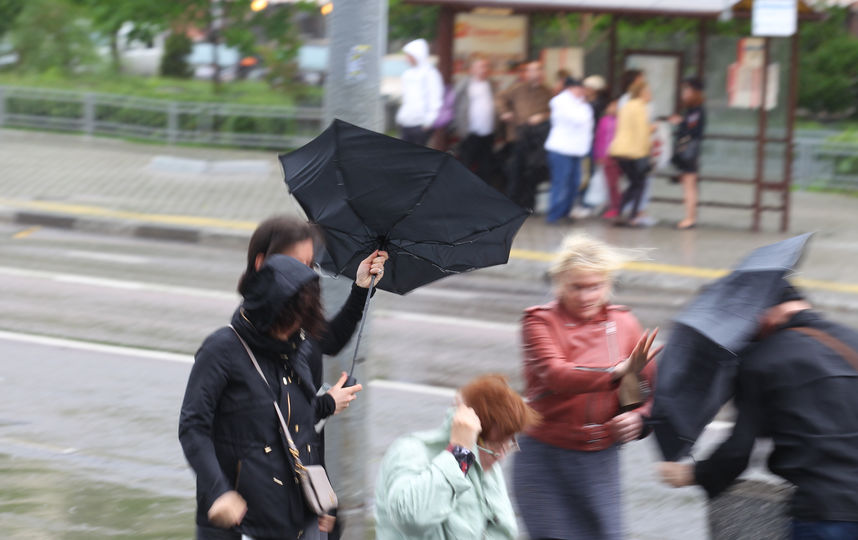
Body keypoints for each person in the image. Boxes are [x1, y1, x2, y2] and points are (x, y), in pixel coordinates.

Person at [179, 216, 388, 540]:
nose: (307, 274)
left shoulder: (296, 342)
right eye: (298, 264)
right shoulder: (223, 350)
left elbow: (297, 421)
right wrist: (219, 491)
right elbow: (194, 427)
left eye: (310, 264)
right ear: (264, 265)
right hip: (239, 527)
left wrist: (322, 504)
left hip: (297, 520)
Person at [658, 283, 858, 539]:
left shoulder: (763, 359)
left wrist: (694, 474)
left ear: (761, 312)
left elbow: (739, 450)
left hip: (826, 512)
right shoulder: (851, 340)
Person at [512, 233, 661, 540]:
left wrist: (639, 418)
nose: (585, 296)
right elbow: (557, 374)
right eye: (576, 287)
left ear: (608, 284)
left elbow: (650, 388)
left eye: (595, 286)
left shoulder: (625, 322)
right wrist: (615, 373)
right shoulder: (538, 322)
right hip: (545, 456)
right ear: (559, 283)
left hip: (600, 459)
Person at [374, 374, 540, 539]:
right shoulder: (409, 450)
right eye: (496, 446)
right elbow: (410, 518)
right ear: (472, 435)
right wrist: (460, 452)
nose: (501, 456)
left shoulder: (487, 467)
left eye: (508, 444)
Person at [496, 60, 552, 211]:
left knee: (532, 172)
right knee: (515, 171)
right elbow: (500, 98)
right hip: (518, 136)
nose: (536, 73)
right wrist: (505, 112)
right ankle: (511, 205)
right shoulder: (517, 89)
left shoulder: (547, 91)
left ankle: (529, 204)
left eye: (539, 70)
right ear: (527, 73)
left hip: (537, 139)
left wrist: (543, 116)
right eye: (532, 70)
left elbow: (552, 111)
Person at [544, 77, 594, 224]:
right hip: (561, 149)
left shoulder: (580, 104)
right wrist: (582, 107)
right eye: (579, 88)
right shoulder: (560, 102)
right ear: (570, 88)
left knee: (574, 183)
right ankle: (554, 215)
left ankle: (565, 211)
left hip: (576, 150)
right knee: (560, 183)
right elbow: (578, 119)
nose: (582, 91)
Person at [610, 78, 654, 227]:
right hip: (635, 152)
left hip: (619, 150)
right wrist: (648, 150)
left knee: (633, 183)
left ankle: (620, 212)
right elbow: (642, 132)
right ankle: (632, 216)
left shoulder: (626, 106)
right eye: (648, 91)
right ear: (642, 93)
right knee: (639, 184)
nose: (650, 94)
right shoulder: (641, 107)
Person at [453, 55, 499, 187]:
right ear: (472, 69)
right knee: (466, 167)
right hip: (470, 133)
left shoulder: (491, 84)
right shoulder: (464, 85)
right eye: (481, 66)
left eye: (486, 66)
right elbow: (456, 106)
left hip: (488, 133)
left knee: (486, 167)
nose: (484, 69)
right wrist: (461, 128)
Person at [668, 77, 706, 230]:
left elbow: (694, 130)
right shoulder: (692, 110)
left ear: (694, 92)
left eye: (687, 90)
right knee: (688, 184)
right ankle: (690, 217)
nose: (684, 93)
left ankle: (690, 218)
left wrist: (680, 122)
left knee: (689, 185)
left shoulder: (697, 110)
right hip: (690, 152)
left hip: (690, 152)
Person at [396, 38, 444, 146]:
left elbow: (435, 99)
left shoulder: (430, 73)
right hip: (406, 123)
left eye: (409, 55)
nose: (406, 58)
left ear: (417, 55)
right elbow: (406, 99)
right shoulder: (407, 74)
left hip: (420, 125)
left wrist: (429, 121)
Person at [593, 100, 623, 219]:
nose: (613, 108)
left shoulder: (621, 121)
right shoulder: (603, 121)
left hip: (618, 156)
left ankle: (616, 206)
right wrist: (598, 155)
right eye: (611, 105)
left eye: (616, 106)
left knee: (614, 183)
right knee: (610, 183)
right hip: (606, 156)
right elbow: (599, 138)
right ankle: (613, 205)